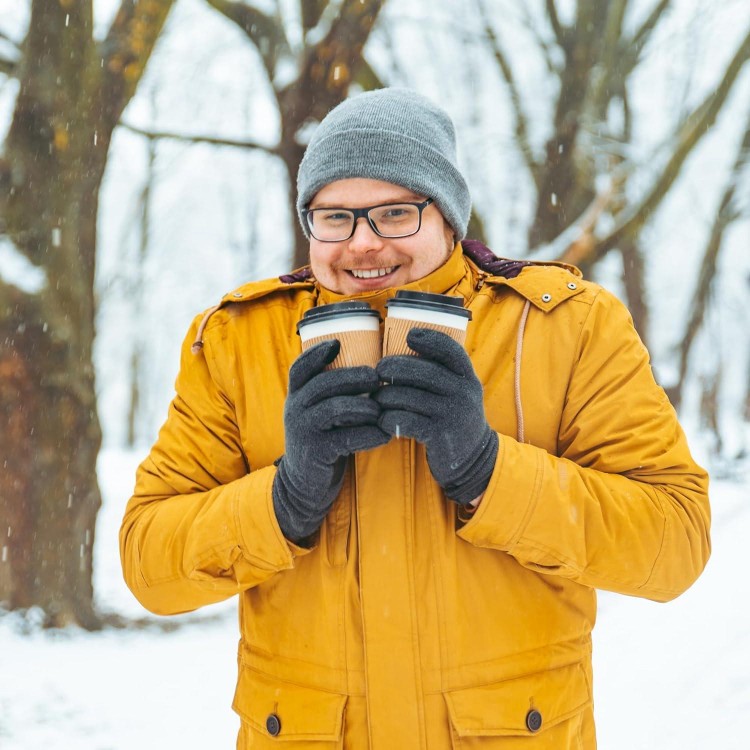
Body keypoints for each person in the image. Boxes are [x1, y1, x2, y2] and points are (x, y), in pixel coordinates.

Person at [120, 88, 710, 748]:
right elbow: (149, 562)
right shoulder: (239, 341)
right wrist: (283, 501)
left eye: (395, 213)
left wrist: (491, 473)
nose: (362, 245)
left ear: (449, 218)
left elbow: (674, 543)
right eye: (334, 217)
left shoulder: (563, 328)